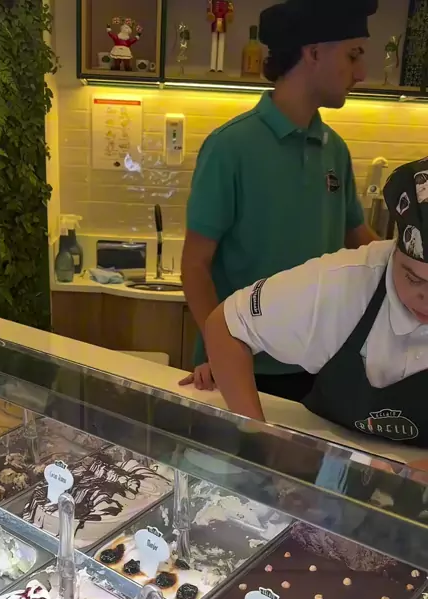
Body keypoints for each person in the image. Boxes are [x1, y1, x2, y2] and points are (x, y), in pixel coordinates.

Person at [180, 0, 378, 397]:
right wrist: (218, 349)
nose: (361, 72)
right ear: (314, 53)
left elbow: (360, 240)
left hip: (321, 365)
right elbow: (195, 266)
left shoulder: (334, 149)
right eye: (353, 55)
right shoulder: (230, 147)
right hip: (243, 364)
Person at [204, 157, 428, 453]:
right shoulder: (342, 283)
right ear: (395, 249)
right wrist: (257, 435)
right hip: (333, 463)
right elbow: (226, 325)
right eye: (414, 278)